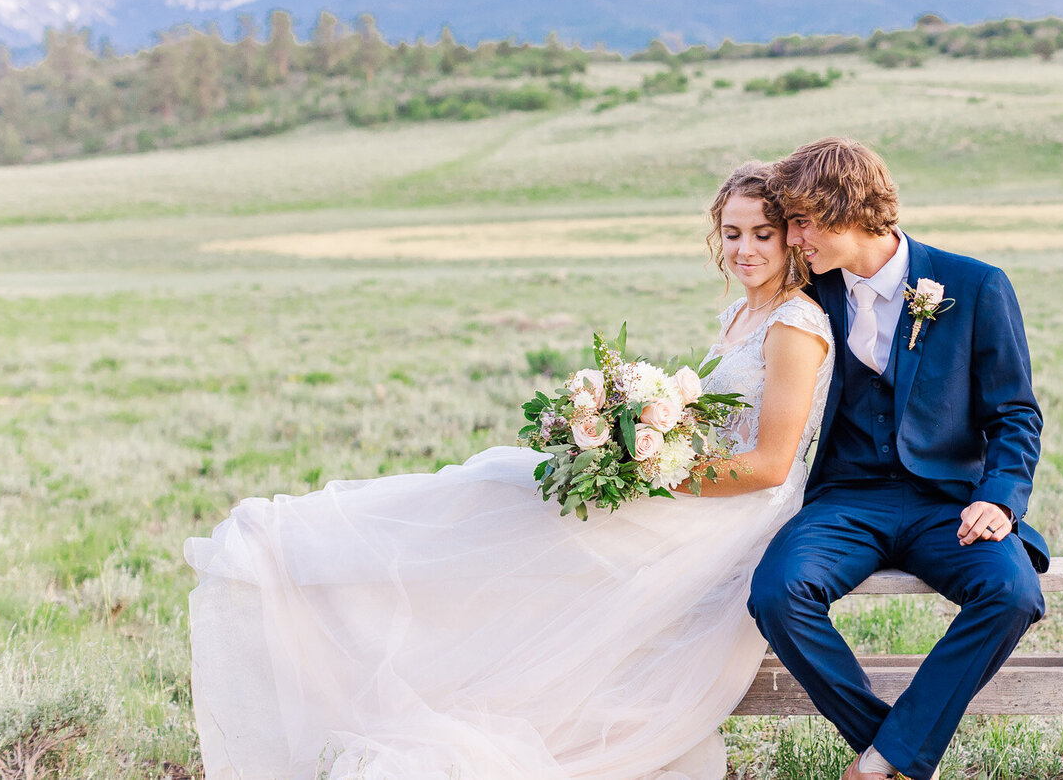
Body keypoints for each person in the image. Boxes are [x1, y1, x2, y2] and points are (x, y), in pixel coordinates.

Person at [183, 163, 833, 780]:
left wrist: (653, 472)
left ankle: (357, 589)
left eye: (762, 235)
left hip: (733, 512)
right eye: (732, 234)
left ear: (790, 238)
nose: (745, 249)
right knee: (495, 486)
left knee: (506, 497)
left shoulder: (794, 324)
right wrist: (629, 438)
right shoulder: (741, 313)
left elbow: (771, 465)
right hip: (696, 484)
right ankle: (309, 555)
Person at [749, 137, 1048, 780]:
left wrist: (998, 497)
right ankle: (891, 752)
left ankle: (880, 761)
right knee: (776, 594)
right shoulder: (809, 294)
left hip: (949, 503)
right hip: (845, 503)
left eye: (801, 221)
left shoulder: (974, 285)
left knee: (1014, 592)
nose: (793, 236)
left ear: (847, 210)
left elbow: (1015, 414)